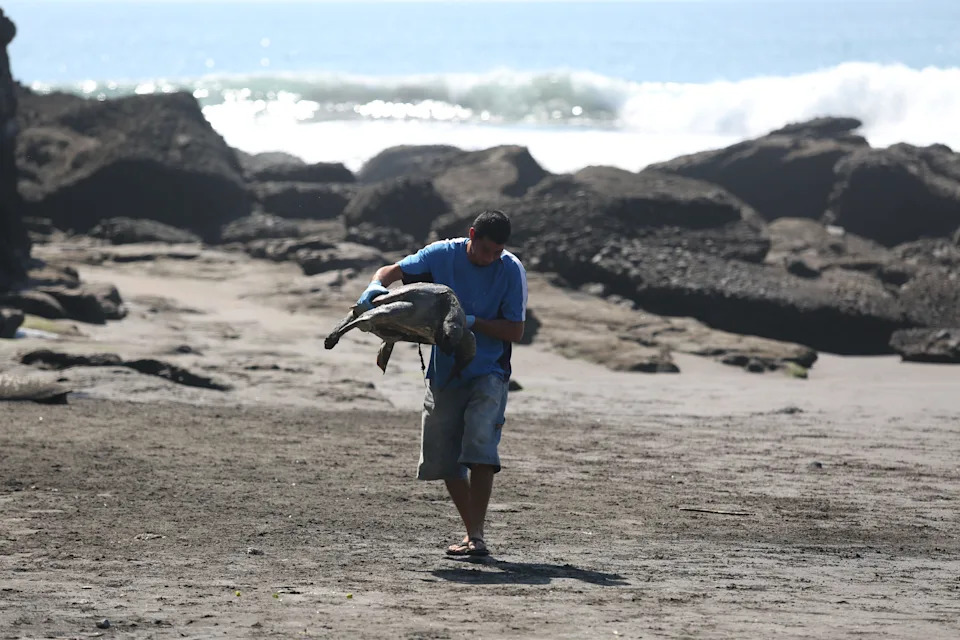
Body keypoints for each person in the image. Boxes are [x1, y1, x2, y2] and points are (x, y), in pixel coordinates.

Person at [356, 210, 527, 557]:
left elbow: (516, 330)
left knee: (480, 447)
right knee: (445, 459)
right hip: (445, 370)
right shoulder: (441, 254)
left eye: (497, 252)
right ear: (472, 235)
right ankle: (472, 532)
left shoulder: (511, 269)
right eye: (486, 250)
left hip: (489, 371)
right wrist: (375, 287)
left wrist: (471, 321)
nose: (490, 258)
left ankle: (476, 537)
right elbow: (391, 271)